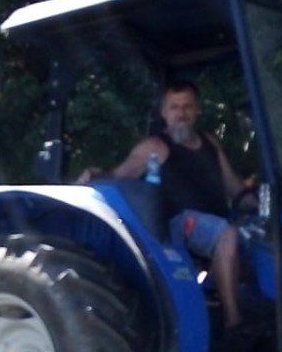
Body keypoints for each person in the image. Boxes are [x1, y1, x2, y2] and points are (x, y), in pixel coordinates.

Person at [78, 80, 255, 334]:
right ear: (164, 113)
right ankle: (234, 325)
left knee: (262, 238)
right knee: (226, 235)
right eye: (174, 107)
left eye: (187, 107)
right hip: (178, 222)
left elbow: (234, 187)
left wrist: (263, 206)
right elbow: (119, 175)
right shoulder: (156, 147)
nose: (181, 114)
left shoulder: (210, 143)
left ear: (197, 110)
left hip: (216, 220)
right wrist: (94, 176)